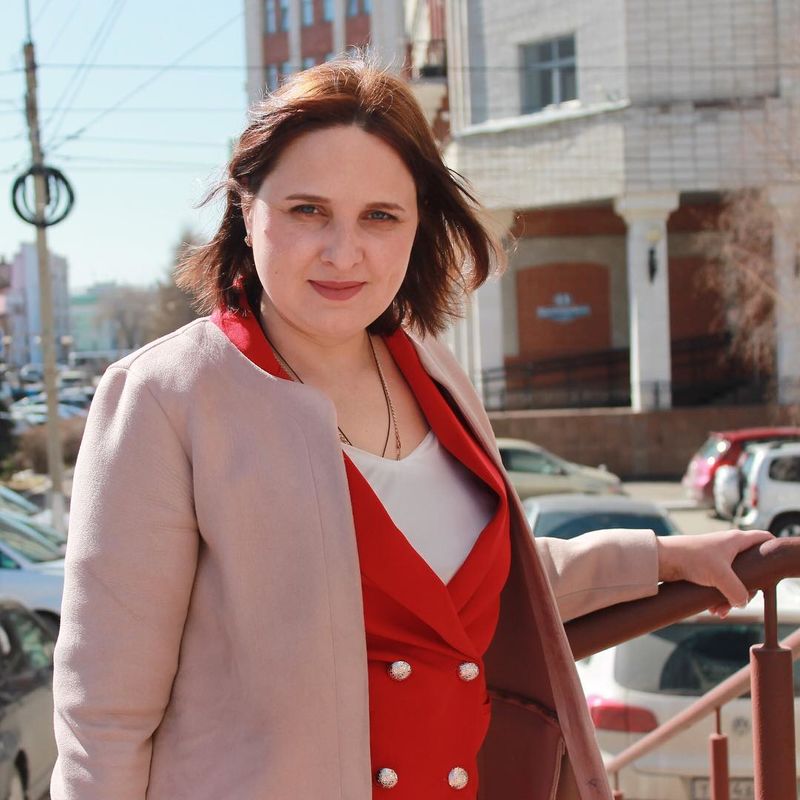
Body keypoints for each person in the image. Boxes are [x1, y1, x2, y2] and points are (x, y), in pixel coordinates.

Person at [50, 59, 771, 800]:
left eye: (380, 216)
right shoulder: (166, 397)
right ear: (245, 204)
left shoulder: (432, 368)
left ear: (418, 221)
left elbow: (464, 592)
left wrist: (662, 557)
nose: (343, 252)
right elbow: (104, 717)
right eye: (307, 210)